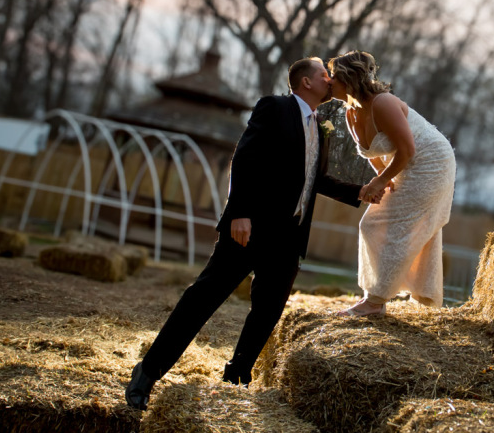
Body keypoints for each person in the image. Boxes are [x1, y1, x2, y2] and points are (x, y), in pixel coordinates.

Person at [126, 57, 366, 410]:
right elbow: (245, 157)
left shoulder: (320, 125)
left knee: (268, 312)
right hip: (250, 228)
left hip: (289, 238)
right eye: (323, 74)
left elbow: (317, 180)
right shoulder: (275, 107)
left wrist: (361, 192)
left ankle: (236, 378)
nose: (330, 80)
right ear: (305, 82)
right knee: (203, 299)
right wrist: (239, 212)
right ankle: (148, 372)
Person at [328, 50, 457, 317]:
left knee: (377, 224)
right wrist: (383, 181)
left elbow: (407, 149)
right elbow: (373, 154)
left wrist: (380, 180)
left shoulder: (382, 103)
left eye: (333, 76)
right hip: (406, 164)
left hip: (431, 163)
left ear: (349, 79)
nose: (329, 81)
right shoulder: (351, 113)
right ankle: (389, 297)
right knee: (377, 224)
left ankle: (375, 302)